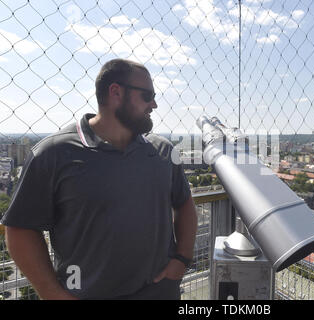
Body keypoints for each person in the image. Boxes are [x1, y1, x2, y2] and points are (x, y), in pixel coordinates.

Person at [1, 58, 198, 300]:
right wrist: (52, 293)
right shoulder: (53, 153)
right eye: (147, 95)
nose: (154, 104)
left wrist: (182, 258)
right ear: (116, 92)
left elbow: (184, 203)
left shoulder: (164, 151)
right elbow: (20, 228)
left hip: (160, 292)